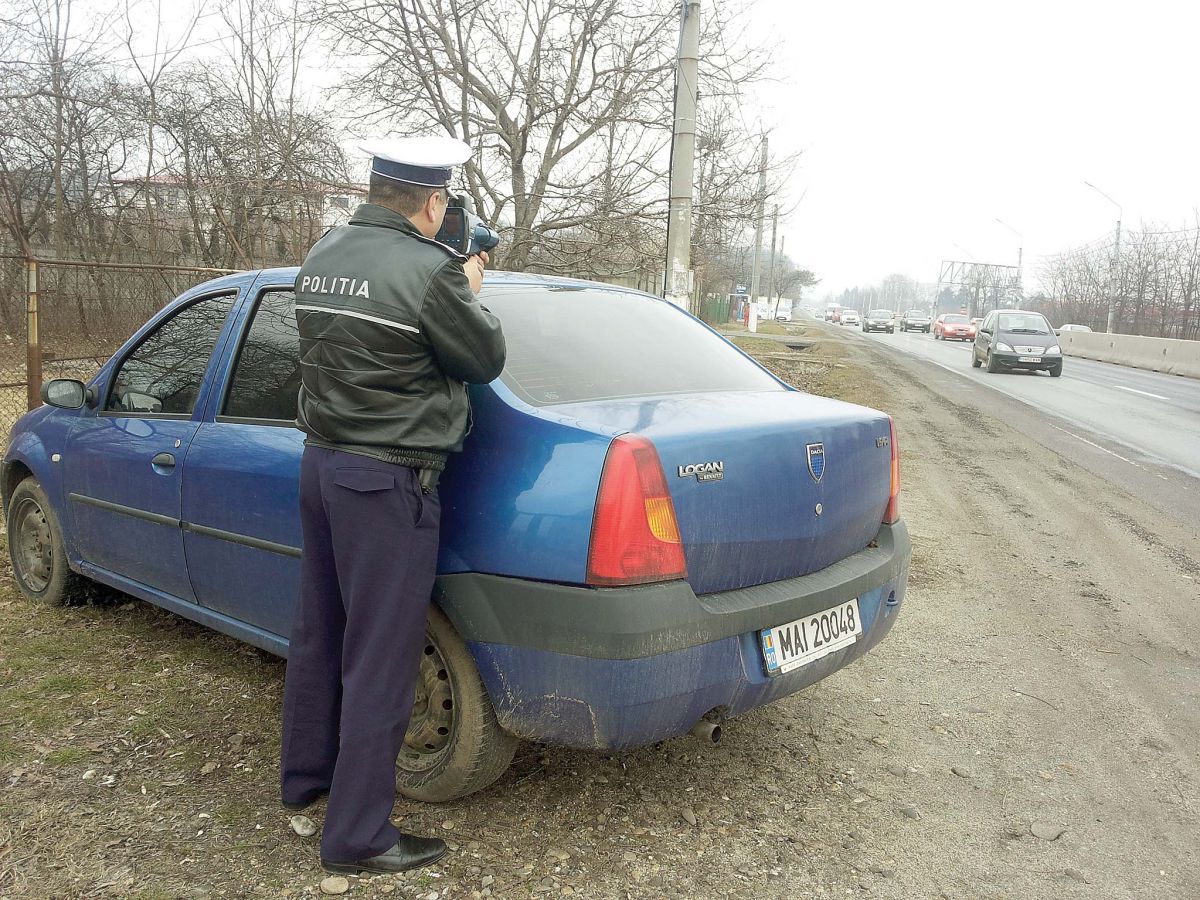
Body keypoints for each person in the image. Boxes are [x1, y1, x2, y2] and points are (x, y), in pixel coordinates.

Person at [279, 136, 506, 876]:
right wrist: (468, 287)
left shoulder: (325, 251)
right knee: (381, 656)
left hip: (322, 464)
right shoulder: (432, 272)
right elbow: (484, 359)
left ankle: (306, 780)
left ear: (377, 189)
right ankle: (357, 836)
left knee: (320, 630)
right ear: (433, 202)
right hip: (386, 479)